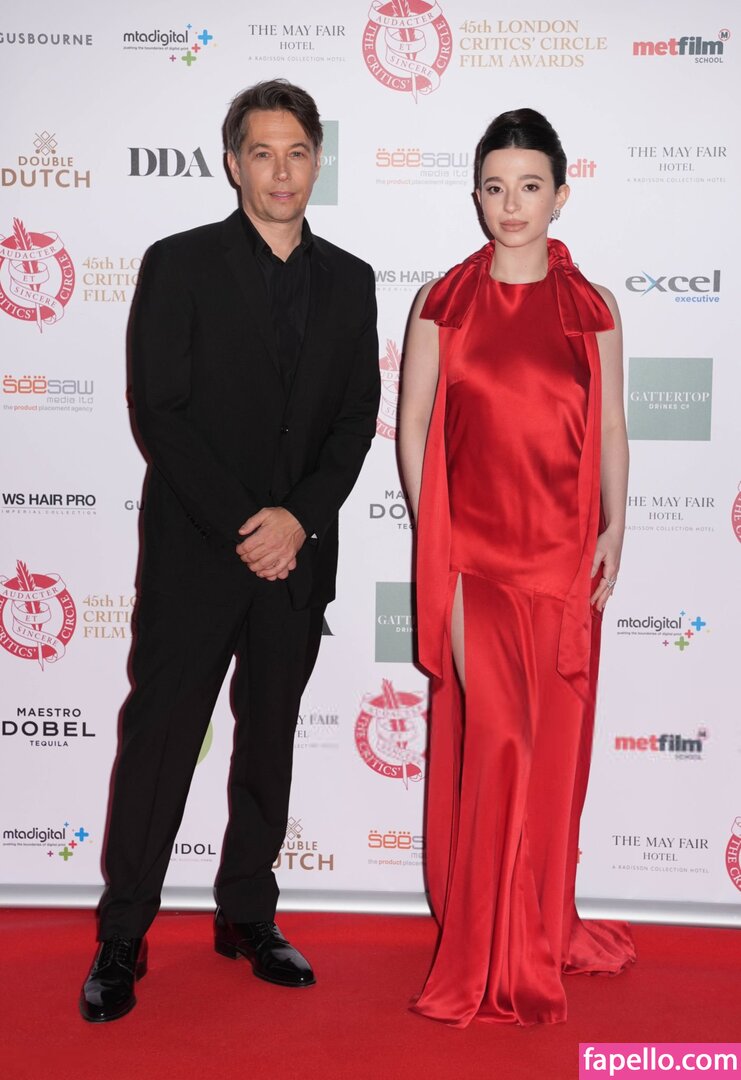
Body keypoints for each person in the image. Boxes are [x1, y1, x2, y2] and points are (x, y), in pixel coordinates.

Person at [79, 79, 380, 1023]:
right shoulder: (179, 264)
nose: (281, 171)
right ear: (232, 163)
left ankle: (248, 914)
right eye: (262, 152)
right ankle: (122, 934)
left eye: (297, 152)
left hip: (297, 562)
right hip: (197, 555)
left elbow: (354, 421)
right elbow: (159, 412)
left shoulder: (351, 280)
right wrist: (251, 526)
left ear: (317, 161)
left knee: (269, 743)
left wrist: (297, 522)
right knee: (161, 742)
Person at [399, 108, 635, 1027]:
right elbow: (413, 431)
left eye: (529, 186)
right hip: (472, 565)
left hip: (564, 563)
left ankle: (535, 926)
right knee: (498, 741)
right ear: (475, 195)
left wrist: (617, 523)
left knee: (550, 760)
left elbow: (610, 427)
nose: (511, 204)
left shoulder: (593, 308)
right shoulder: (442, 302)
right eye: (495, 187)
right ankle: (483, 953)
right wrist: (437, 541)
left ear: (560, 195)